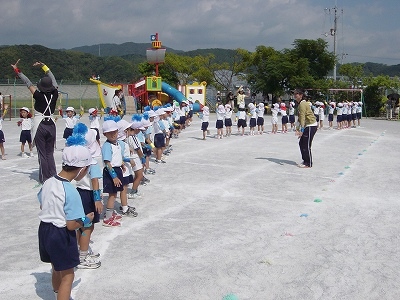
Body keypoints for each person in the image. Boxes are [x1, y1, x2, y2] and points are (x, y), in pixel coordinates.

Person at [38, 138, 95, 300]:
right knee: (68, 275)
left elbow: (42, 205)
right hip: (60, 234)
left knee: (56, 266)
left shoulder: (48, 182)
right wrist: (86, 219)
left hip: (45, 230)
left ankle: (57, 293)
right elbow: (71, 225)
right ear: (82, 169)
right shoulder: (71, 191)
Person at [11, 59, 58, 183]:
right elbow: (52, 78)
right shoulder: (55, 93)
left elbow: (28, 82)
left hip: (40, 125)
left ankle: (45, 178)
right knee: (50, 153)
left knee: (42, 154)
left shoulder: (38, 95)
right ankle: (53, 176)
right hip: (51, 125)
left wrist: (17, 70)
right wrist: (43, 66)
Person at [68, 125, 102, 269]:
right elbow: (94, 180)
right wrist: (97, 199)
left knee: (82, 226)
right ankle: (82, 256)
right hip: (88, 195)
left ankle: (80, 250)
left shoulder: (79, 158)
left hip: (80, 193)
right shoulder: (91, 160)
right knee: (88, 227)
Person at [101, 119, 125, 227]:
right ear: (105, 134)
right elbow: (107, 163)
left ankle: (110, 214)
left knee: (115, 194)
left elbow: (117, 157)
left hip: (117, 169)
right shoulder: (107, 146)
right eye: (110, 133)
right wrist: (114, 177)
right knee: (112, 195)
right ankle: (107, 218)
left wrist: (122, 164)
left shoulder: (117, 144)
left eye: (114, 131)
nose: (113, 134)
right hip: (111, 172)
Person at [293, 89, 318, 168]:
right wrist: (297, 128)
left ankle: (308, 163)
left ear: (301, 95)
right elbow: (300, 117)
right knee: (301, 143)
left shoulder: (303, 104)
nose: (295, 95)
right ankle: (305, 160)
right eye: (294, 94)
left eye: (296, 94)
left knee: (306, 145)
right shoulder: (300, 104)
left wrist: (301, 130)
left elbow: (303, 117)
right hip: (307, 126)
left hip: (311, 125)